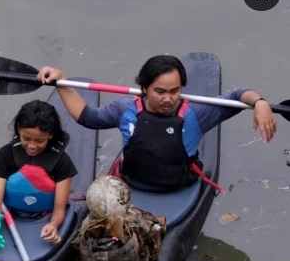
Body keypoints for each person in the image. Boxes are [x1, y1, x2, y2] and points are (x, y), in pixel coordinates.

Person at [38, 55, 277, 193]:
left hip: (178, 187)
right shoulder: (125, 109)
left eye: (175, 91)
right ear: (144, 89)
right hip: (133, 184)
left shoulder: (197, 112)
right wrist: (62, 81)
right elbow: (87, 117)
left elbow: (238, 96)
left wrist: (260, 102)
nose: (168, 99)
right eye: (160, 91)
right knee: (95, 197)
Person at [0, 100, 78, 246]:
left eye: (40, 140)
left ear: (50, 135)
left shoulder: (62, 162)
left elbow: (60, 208)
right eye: (26, 138)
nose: (32, 146)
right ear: (18, 131)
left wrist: (53, 225)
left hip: (45, 217)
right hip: (10, 213)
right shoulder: (5, 155)